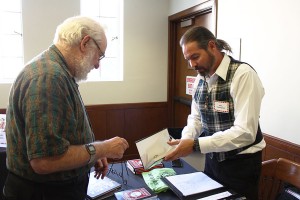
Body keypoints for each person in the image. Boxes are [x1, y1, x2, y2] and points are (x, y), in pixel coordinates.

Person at [3, 16, 129, 200]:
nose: (97, 64)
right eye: (99, 55)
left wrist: (91, 155)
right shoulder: (49, 77)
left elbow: (62, 138)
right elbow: (45, 161)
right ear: (85, 43)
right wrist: (101, 149)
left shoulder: (57, 71)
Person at [164, 26, 265, 200]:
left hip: (241, 165)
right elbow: (196, 118)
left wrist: (195, 145)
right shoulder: (200, 78)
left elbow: (246, 132)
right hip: (212, 162)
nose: (192, 65)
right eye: (188, 60)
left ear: (212, 46)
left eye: (195, 57)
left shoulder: (243, 75)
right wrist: (187, 139)